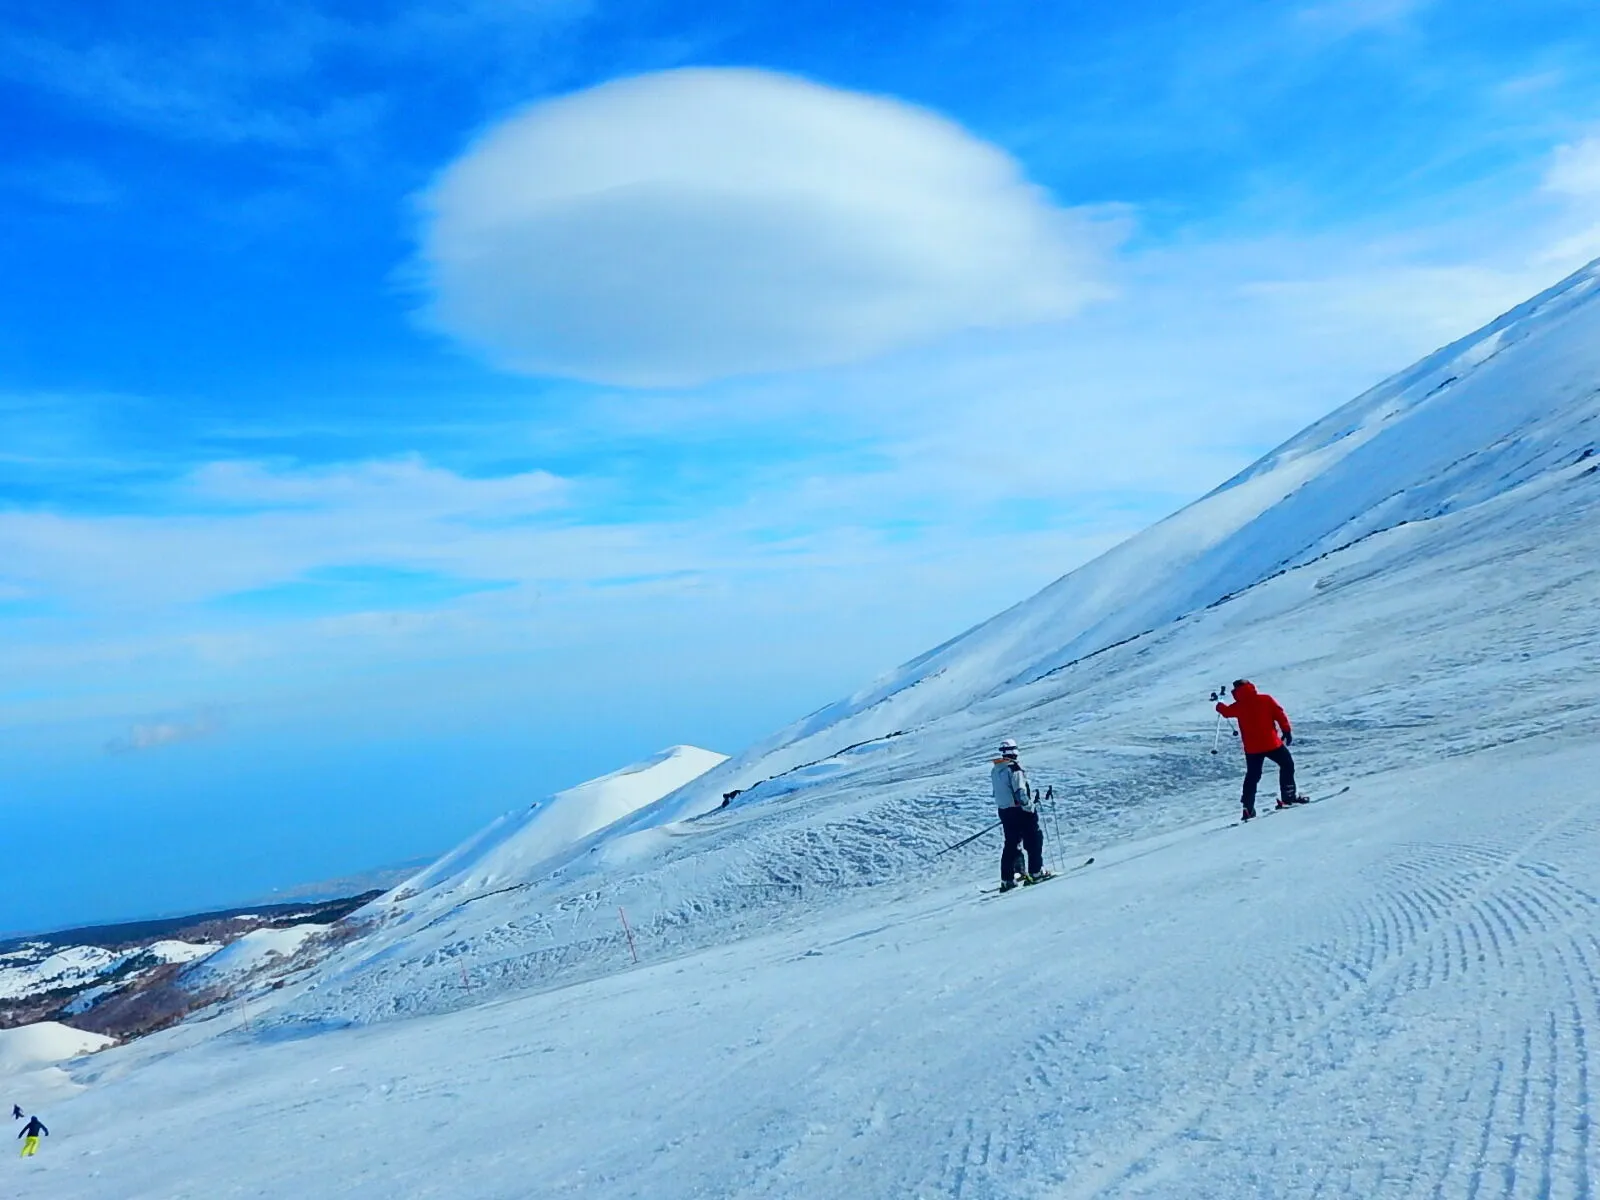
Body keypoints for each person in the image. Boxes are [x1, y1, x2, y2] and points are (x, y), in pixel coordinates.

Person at [1215, 680, 1305, 821]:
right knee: (1287, 764)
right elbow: (1279, 714)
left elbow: (1226, 712)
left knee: (1252, 776)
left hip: (1252, 748)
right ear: (1250, 686)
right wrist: (1286, 730)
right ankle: (1288, 797)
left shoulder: (1239, 706)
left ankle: (1248, 808)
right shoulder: (1265, 699)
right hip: (1271, 743)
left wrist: (1219, 704)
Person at [991, 738, 1050, 890]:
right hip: (1020, 811)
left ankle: (1007, 879)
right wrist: (1030, 807)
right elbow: (1020, 792)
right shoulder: (1014, 769)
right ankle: (1036, 872)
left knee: (1011, 844)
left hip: (1004, 811)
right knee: (1034, 839)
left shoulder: (996, 769)